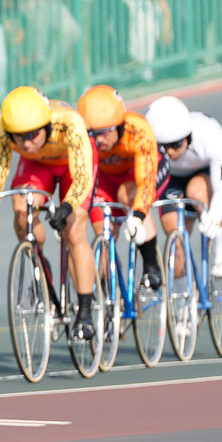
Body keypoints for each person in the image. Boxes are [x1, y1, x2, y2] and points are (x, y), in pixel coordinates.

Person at [0, 85, 97, 342]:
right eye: (19, 137)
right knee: (21, 209)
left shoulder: (69, 123)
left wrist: (67, 206)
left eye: (33, 134)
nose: (27, 142)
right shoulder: (4, 130)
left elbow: (83, 176)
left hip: (72, 166)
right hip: (37, 166)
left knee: (74, 229)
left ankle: (85, 311)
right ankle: (39, 261)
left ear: (46, 125)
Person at [142, 95, 222, 280]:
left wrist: (215, 217)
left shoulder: (210, 135)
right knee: (175, 237)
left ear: (188, 136)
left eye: (176, 144)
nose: (170, 152)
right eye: (162, 146)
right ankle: (183, 297)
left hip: (207, 170)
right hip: (172, 177)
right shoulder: (146, 144)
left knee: (197, 191)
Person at [78, 84, 162, 289]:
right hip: (104, 179)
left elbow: (146, 182)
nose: (99, 139)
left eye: (105, 132)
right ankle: (111, 293)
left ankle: (151, 264)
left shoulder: (139, 131)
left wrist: (139, 216)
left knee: (128, 195)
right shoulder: (82, 138)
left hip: (135, 175)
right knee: (103, 241)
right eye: (93, 133)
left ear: (120, 125)